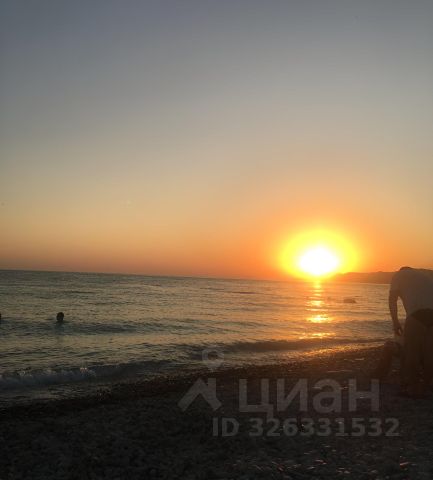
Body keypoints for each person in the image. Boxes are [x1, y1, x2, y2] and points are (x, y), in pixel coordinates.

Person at [389, 267, 433, 396]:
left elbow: (392, 300)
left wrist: (395, 322)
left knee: (411, 353)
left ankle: (414, 389)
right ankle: (426, 386)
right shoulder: (424, 276)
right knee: (429, 354)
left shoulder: (398, 275)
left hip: (416, 314)